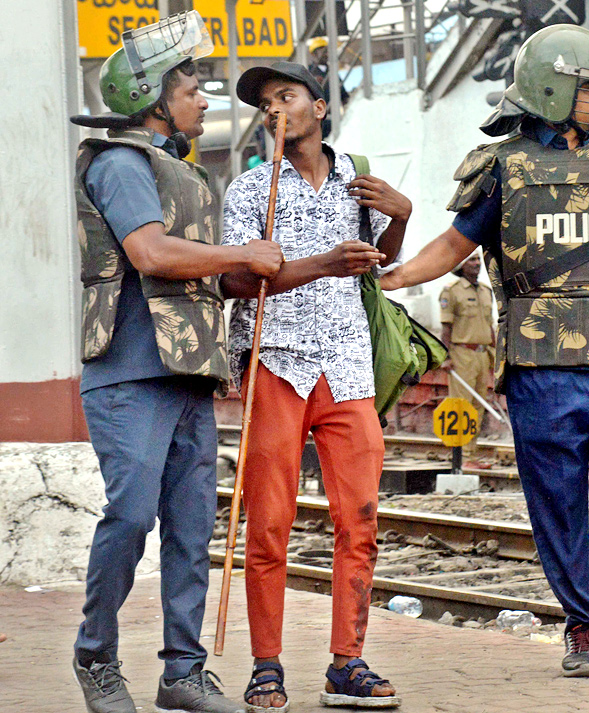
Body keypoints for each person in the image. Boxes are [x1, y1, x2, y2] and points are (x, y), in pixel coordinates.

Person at [381, 24, 589, 677]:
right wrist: (397, 276)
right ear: (552, 87)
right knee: (557, 501)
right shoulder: (503, 167)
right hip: (540, 364)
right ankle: (584, 626)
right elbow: (455, 244)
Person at [69, 13, 283, 713]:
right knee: (131, 515)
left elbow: (205, 275)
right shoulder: (121, 164)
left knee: (193, 526)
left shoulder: (186, 173)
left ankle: (182, 671)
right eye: (192, 84)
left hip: (188, 369)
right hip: (130, 372)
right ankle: (96, 656)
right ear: (153, 97)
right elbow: (153, 255)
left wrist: (268, 271)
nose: (203, 97)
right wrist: (239, 257)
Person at [220, 61, 412, 711]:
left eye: (287, 97)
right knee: (268, 522)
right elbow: (240, 281)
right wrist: (321, 265)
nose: (275, 109)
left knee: (358, 518)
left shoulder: (358, 183)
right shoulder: (250, 190)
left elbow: (383, 268)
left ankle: (346, 662)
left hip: (348, 363)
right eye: (265, 103)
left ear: (319, 107)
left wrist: (403, 216)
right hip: (275, 359)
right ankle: (266, 663)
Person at [439, 250, 497, 465]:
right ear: (460, 265)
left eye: (478, 259)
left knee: (479, 405)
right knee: (462, 406)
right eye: (471, 260)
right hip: (461, 353)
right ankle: (462, 457)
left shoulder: (485, 291)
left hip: (482, 354)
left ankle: (470, 455)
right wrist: (445, 357)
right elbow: (446, 327)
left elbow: (489, 325)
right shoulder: (451, 292)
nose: (476, 264)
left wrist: (495, 352)